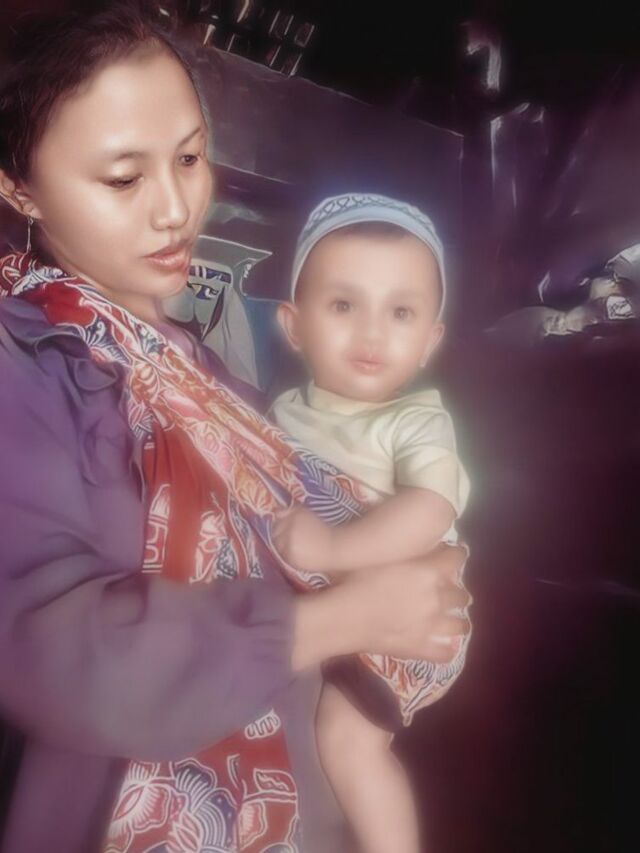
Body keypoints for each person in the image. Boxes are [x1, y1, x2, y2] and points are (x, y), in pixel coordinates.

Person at [0, 5, 471, 852]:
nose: (176, 209)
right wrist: (347, 617)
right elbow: (41, 650)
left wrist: (415, 577)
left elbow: (313, 526)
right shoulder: (22, 364)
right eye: (123, 178)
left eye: (189, 158)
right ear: (17, 188)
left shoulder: (211, 377)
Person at [271, 194, 470, 853]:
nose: (372, 333)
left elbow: (430, 510)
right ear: (294, 325)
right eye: (343, 305)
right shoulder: (281, 412)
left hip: (412, 617)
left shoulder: (415, 420)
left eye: (400, 312)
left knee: (348, 740)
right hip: (333, 606)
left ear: (430, 340)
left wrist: (333, 545)